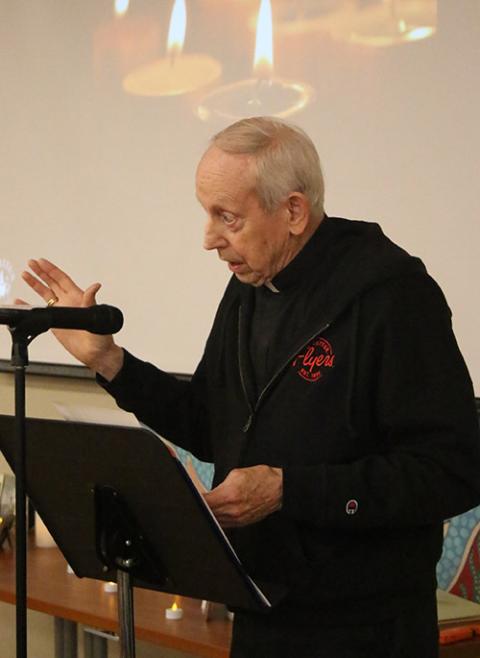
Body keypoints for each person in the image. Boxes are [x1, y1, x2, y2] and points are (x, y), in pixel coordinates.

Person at [21, 117, 480, 658]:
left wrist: (288, 489)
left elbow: (453, 471)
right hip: (259, 607)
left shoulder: (392, 297)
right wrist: (110, 361)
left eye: (228, 218)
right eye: (207, 214)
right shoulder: (250, 287)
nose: (209, 240)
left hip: (366, 627)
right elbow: (209, 423)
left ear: (292, 211)